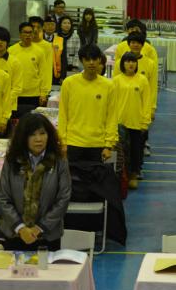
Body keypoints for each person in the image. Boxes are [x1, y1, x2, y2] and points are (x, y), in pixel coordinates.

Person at [0, 112, 71, 290]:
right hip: (16, 239)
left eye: (43, 134)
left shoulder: (58, 162)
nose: (39, 139)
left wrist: (39, 228)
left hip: (46, 239)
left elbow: (63, 198)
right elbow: (3, 197)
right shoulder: (12, 162)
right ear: (23, 138)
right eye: (33, 134)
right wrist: (20, 228)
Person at [58, 44, 118, 163]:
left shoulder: (109, 86)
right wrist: (63, 142)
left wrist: (108, 145)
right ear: (81, 61)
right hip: (73, 143)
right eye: (87, 59)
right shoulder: (69, 83)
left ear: (100, 60)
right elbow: (63, 114)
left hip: (98, 144)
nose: (91, 63)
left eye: (94, 59)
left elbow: (112, 117)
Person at [113, 52, 151, 189]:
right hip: (119, 123)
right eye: (128, 61)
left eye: (133, 61)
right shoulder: (116, 80)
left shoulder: (142, 80)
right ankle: (120, 176)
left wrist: (145, 122)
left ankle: (134, 175)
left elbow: (146, 102)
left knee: (136, 151)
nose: (131, 64)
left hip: (136, 123)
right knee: (120, 151)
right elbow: (111, 102)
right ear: (122, 63)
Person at [114, 33, 157, 122]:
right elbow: (114, 87)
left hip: (140, 109)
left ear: (143, 45)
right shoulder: (119, 63)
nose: (136, 45)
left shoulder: (150, 64)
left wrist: (152, 108)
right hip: (121, 109)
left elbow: (153, 87)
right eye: (133, 42)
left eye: (138, 43)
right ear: (129, 44)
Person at [9, 22, 50, 112]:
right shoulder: (11, 51)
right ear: (20, 34)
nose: (28, 35)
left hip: (34, 95)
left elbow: (43, 74)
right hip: (15, 94)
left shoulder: (39, 51)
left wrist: (43, 93)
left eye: (30, 32)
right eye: (25, 32)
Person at [0, 26, 23, 121]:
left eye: (3, 40)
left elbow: (17, 88)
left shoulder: (15, 62)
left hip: (9, 106)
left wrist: (4, 100)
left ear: (7, 42)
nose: (0, 42)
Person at [29, 16, 55, 93]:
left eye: (38, 27)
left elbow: (47, 70)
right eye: (33, 27)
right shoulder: (18, 47)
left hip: (39, 90)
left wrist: (46, 90)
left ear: (43, 28)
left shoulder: (47, 46)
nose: (35, 30)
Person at [42, 16, 65, 84]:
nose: (50, 27)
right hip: (41, 73)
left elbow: (63, 59)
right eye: (48, 24)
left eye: (52, 25)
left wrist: (62, 76)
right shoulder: (39, 39)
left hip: (55, 74)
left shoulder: (60, 40)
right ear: (43, 27)